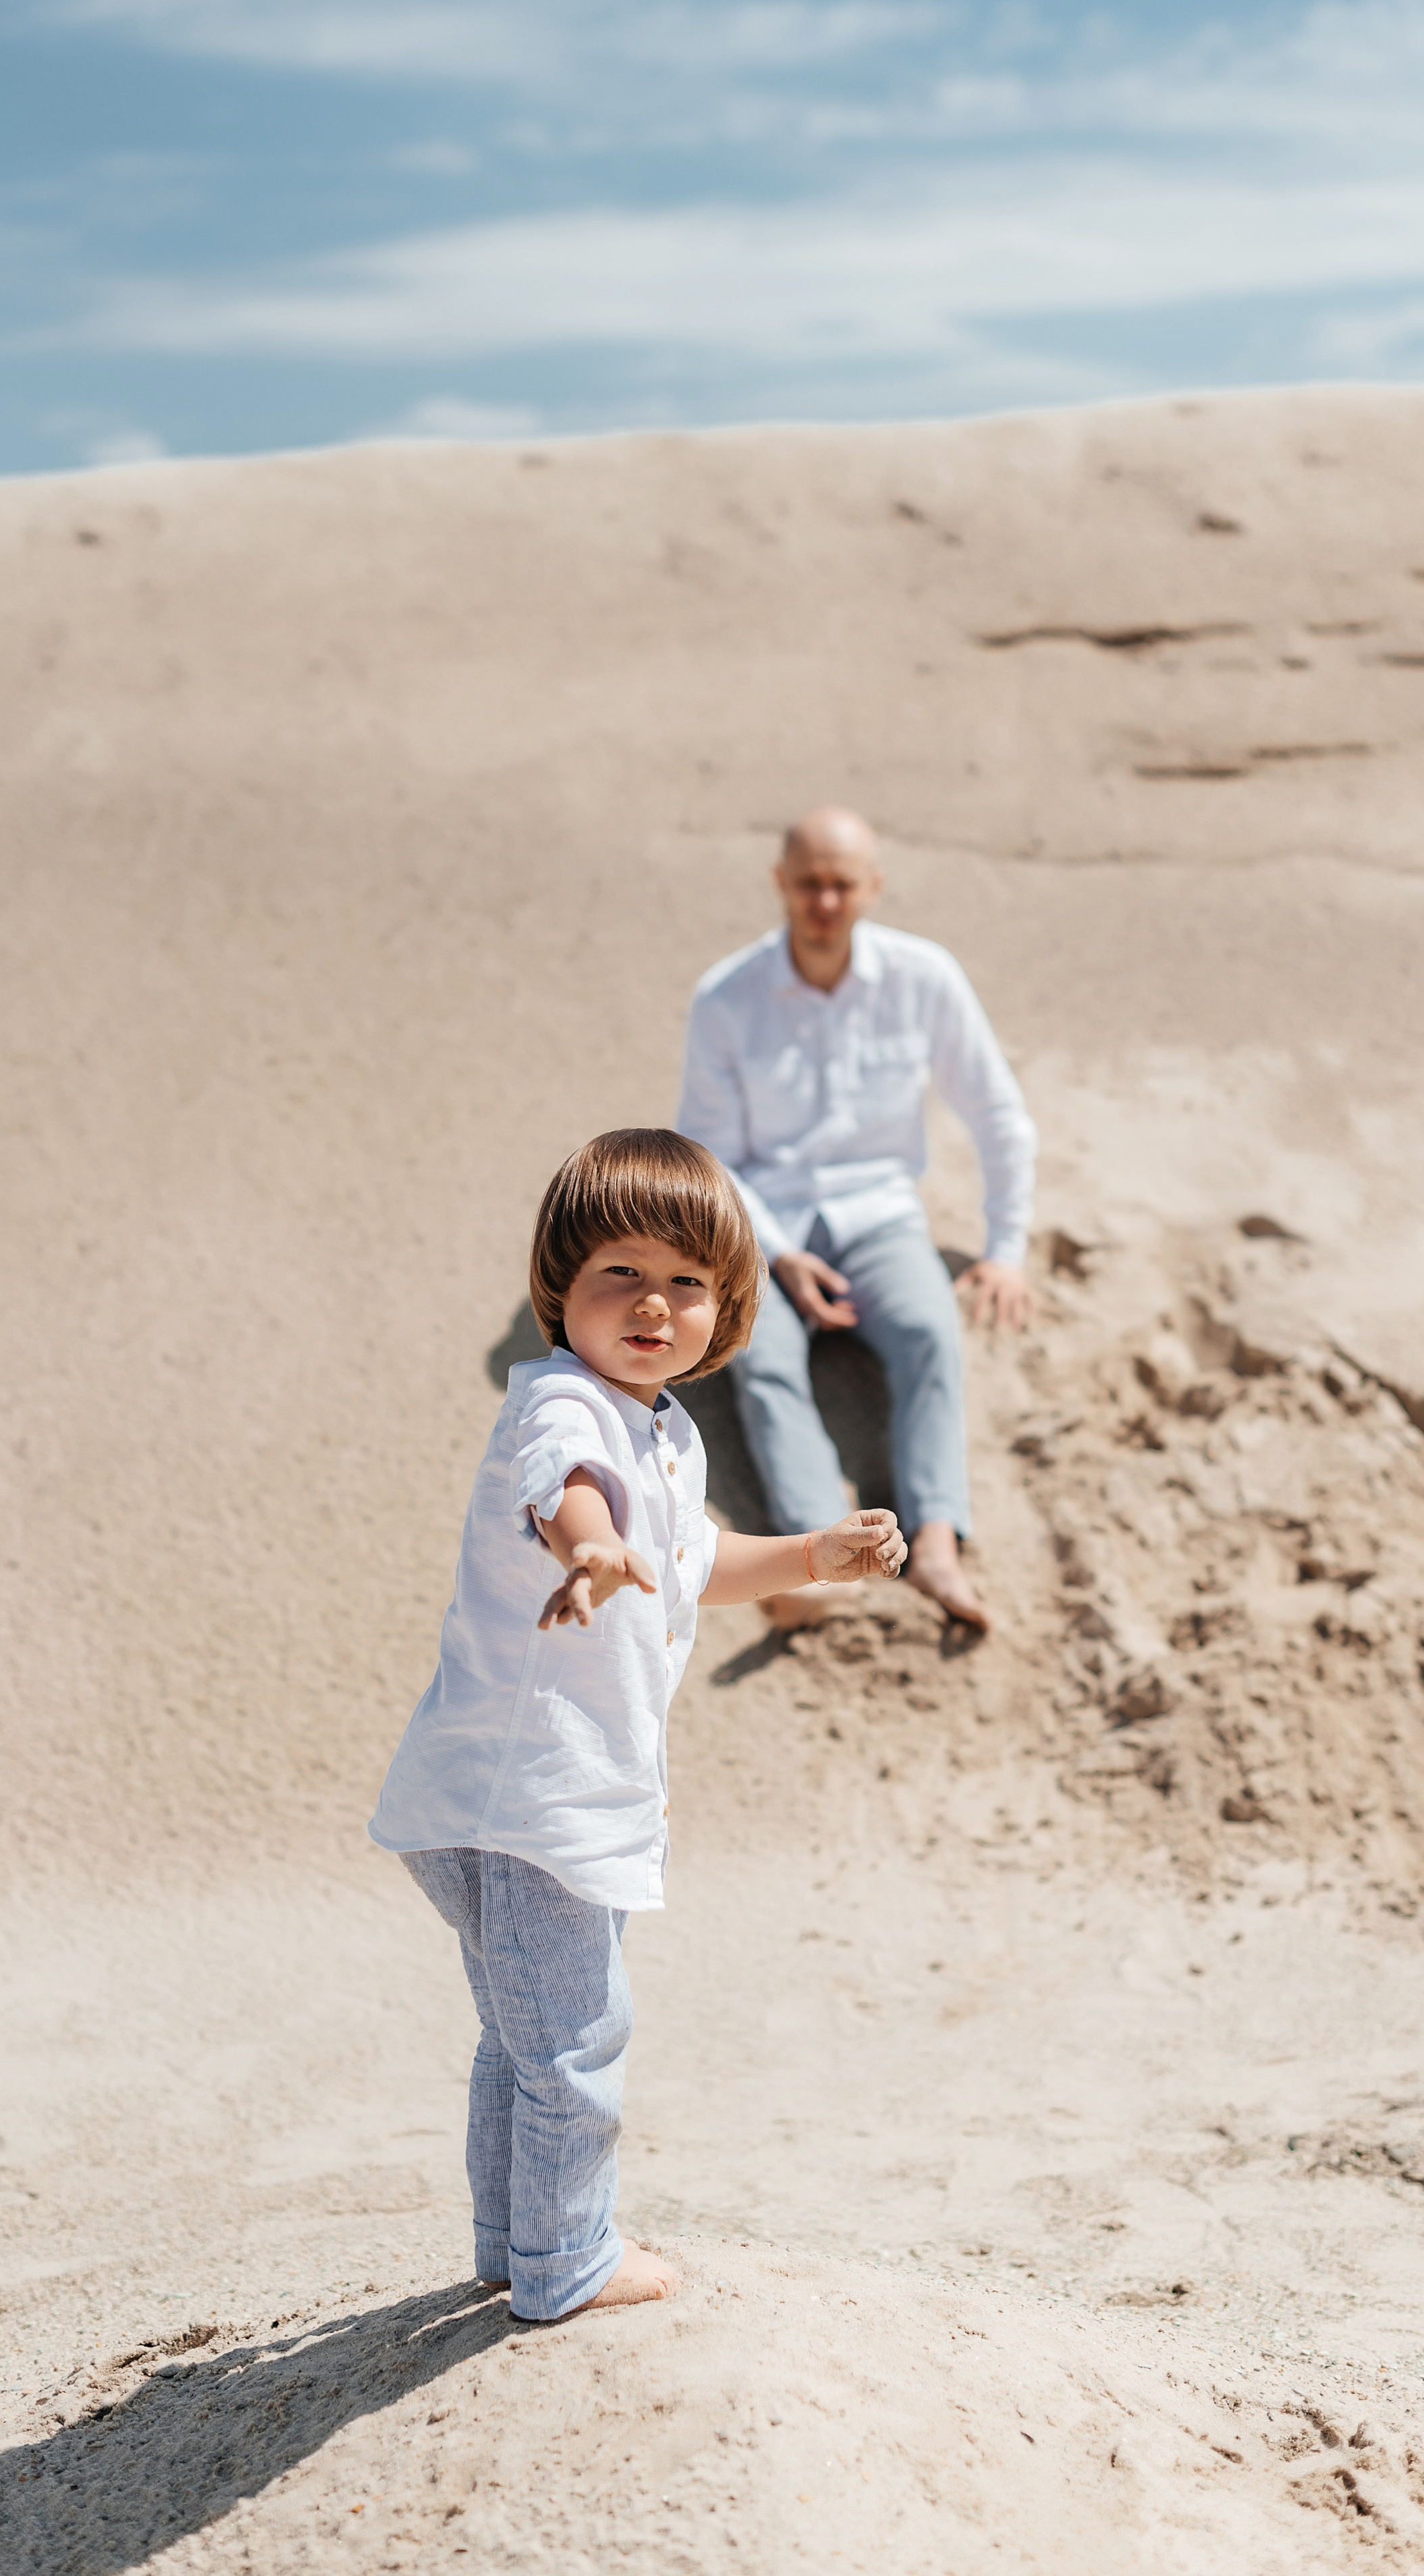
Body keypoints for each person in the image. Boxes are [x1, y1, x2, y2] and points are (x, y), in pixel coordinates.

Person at [369, 1129, 906, 2323]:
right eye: (620, 1272)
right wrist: (593, 1546)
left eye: (687, 1280)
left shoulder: (660, 1430)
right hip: (534, 1803)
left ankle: (516, 2242)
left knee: (523, 2040)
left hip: (524, 1794)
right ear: (560, 1285)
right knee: (579, 2042)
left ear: (727, 1306)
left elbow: (696, 1559)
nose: (654, 1304)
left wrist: (817, 1553)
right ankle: (566, 2264)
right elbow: (568, 1490)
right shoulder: (565, 1401)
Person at [674, 806, 1036, 1633]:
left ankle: (936, 1546)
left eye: (842, 884)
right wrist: (779, 1254)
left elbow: (998, 1114)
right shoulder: (726, 997)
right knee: (762, 1361)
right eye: (809, 883)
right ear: (780, 883)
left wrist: (1006, 1248)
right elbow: (709, 1153)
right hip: (763, 1221)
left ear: (873, 886)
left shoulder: (925, 977)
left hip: (880, 1212)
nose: (825, 902)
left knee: (930, 1333)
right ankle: (824, 1559)